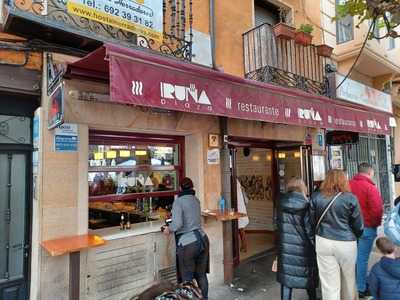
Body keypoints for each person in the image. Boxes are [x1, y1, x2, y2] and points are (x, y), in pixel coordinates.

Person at [310, 169, 364, 300]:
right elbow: (359, 225)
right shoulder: (350, 198)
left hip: (323, 241)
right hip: (346, 242)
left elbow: (311, 222)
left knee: (329, 284)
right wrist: (356, 237)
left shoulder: (316, 197)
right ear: (343, 180)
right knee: (349, 279)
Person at [162, 177, 210, 299]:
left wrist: (168, 229)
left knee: (187, 280)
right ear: (192, 187)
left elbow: (177, 224)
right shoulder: (196, 199)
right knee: (201, 275)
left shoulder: (179, 201)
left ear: (180, 188)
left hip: (188, 243)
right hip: (203, 239)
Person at [277, 178, 318, 300]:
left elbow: (276, 224)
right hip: (304, 249)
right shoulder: (306, 204)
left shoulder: (280, 203)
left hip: (285, 247)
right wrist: (315, 244)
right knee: (308, 277)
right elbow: (309, 230)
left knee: (286, 280)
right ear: (302, 188)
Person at [349, 163, 383, 298]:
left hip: (350, 228)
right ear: (370, 172)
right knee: (362, 258)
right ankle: (361, 287)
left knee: (354, 258)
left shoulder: (348, 184)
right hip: (367, 228)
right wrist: (374, 225)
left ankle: (354, 284)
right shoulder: (370, 187)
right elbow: (377, 210)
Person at [237, 178, 250, 252]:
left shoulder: (235, 183)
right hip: (241, 209)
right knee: (241, 230)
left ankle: (244, 246)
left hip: (240, 209)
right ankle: (243, 246)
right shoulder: (238, 184)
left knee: (241, 229)